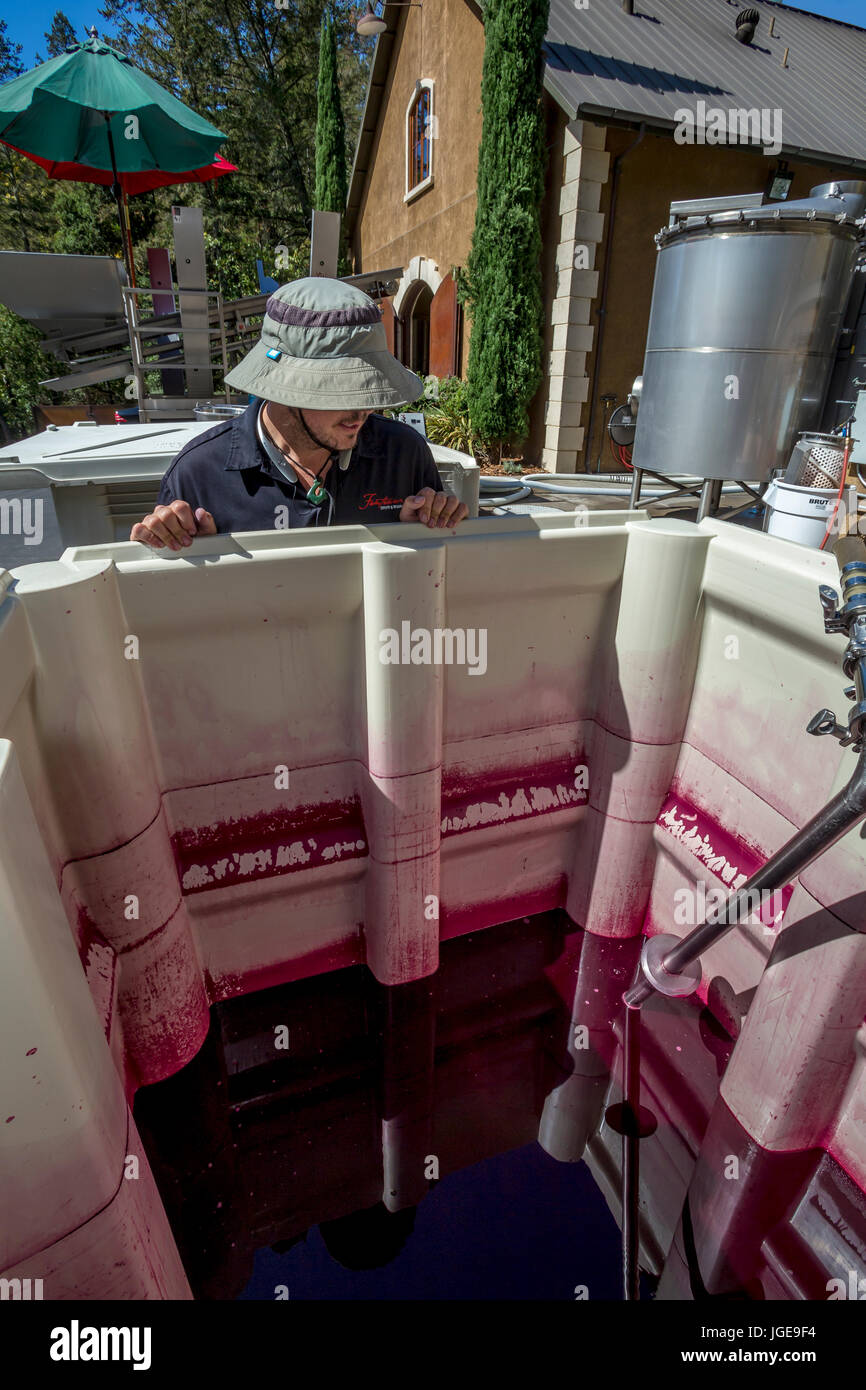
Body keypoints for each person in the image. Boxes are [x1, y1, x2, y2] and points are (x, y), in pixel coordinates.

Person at [130, 276, 469, 550]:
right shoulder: (199, 473)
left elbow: (433, 580)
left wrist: (422, 532)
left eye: (369, 389)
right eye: (339, 392)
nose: (361, 411)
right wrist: (178, 546)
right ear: (284, 389)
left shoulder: (403, 453)